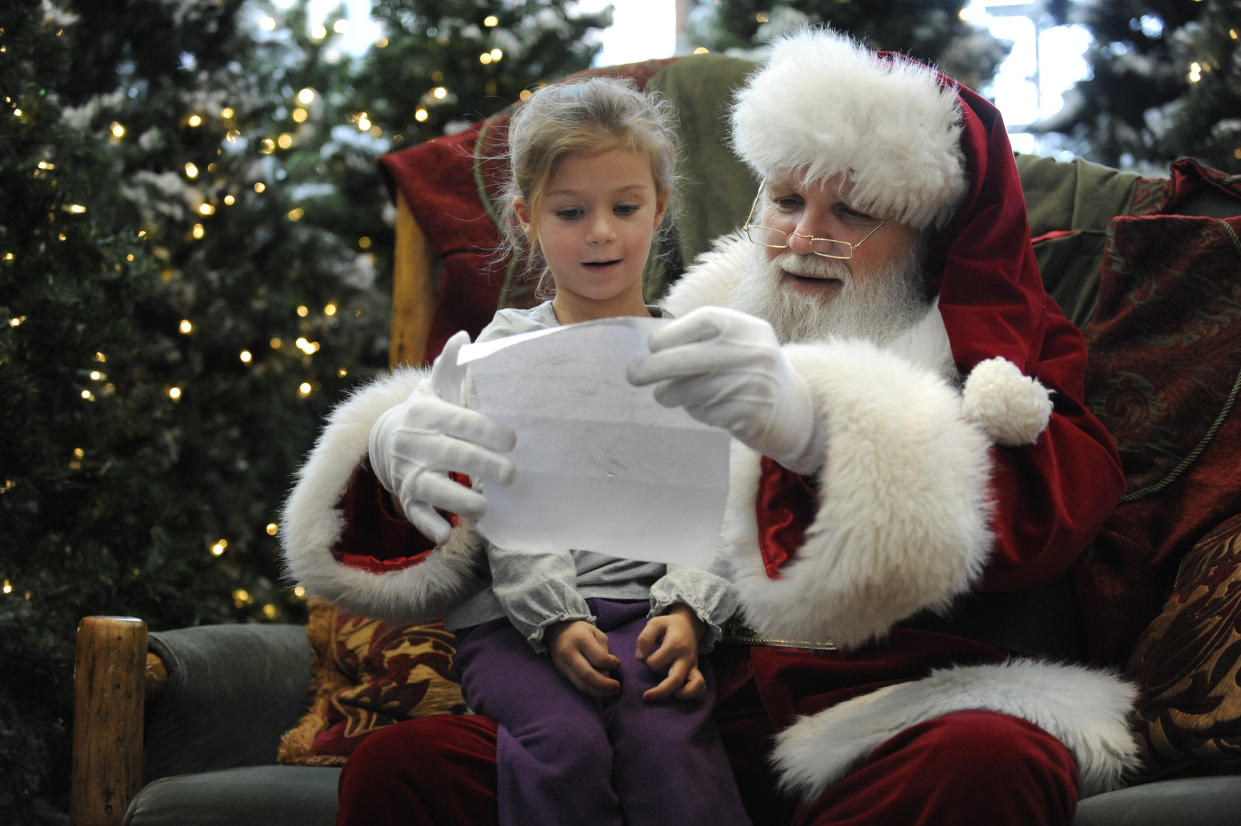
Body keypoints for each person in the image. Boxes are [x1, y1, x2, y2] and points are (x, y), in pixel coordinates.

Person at [282, 27, 1138, 826]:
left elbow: (1047, 517)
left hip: (883, 719)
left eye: (853, 214)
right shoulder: (686, 320)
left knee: (988, 761)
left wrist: (819, 435)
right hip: (673, 696)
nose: (805, 237)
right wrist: (392, 464)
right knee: (409, 766)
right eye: (787, 199)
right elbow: (530, 503)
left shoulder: (998, 354)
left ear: (923, 235)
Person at [336, 75, 750, 826]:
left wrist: (690, 607)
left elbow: (724, 501)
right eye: (571, 212)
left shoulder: (693, 357)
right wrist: (555, 620)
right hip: (513, 628)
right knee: (563, 744)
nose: (601, 232)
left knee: (670, 746)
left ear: (659, 208)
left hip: (652, 615)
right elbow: (505, 501)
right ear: (526, 220)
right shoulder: (501, 352)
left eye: (625, 207)